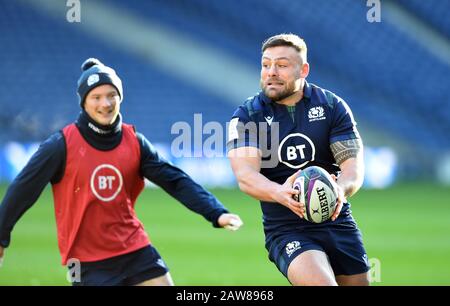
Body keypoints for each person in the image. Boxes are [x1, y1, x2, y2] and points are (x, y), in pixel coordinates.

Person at [0, 58, 243, 286]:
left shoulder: (134, 141)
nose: (105, 104)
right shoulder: (60, 145)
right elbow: (24, 188)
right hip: (86, 260)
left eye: (111, 95)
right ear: (84, 102)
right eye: (96, 97)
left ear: (120, 97)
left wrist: (216, 212)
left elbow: (174, 180)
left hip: (134, 248)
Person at [227, 34, 369, 286]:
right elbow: (246, 176)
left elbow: (352, 169)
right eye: (266, 64)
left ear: (303, 70)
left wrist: (339, 189)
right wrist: (279, 192)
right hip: (286, 229)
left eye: (281, 65)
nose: (271, 72)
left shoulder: (331, 105)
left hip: (338, 220)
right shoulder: (248, 115)